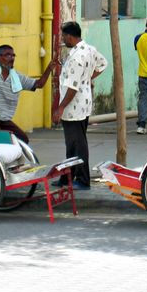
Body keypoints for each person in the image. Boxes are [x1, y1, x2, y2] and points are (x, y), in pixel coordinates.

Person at [52, 21, 107, 190]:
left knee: (77, 144)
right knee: (73, 144)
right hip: (83, 102)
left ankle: (83, 180)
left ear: (69, 36)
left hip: (74, 106)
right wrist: (88, 78)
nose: (63, 40)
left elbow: (72, 87)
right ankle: (68, 177)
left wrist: (60, 108)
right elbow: (103, 63)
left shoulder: (77, 56)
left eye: (64, 36)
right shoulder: (88, 49)